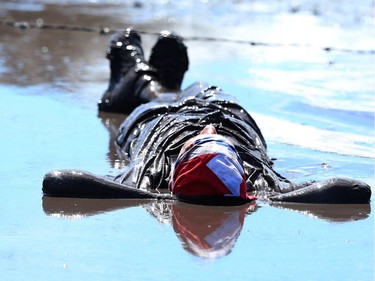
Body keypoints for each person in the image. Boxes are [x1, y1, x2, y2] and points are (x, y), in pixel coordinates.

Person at [42, 28, 371, 205]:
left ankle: (142, 82)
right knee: (205, 88)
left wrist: (150, 194)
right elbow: (355, 190)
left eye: (198, 143)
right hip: (230, 115)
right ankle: (155, 81)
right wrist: (273, 198)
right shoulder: (265, 185)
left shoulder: (146, 177)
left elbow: (56, 180)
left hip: (160, 126)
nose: (207, 129)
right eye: (219, 143)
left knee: (163, 101)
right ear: (241, 173)